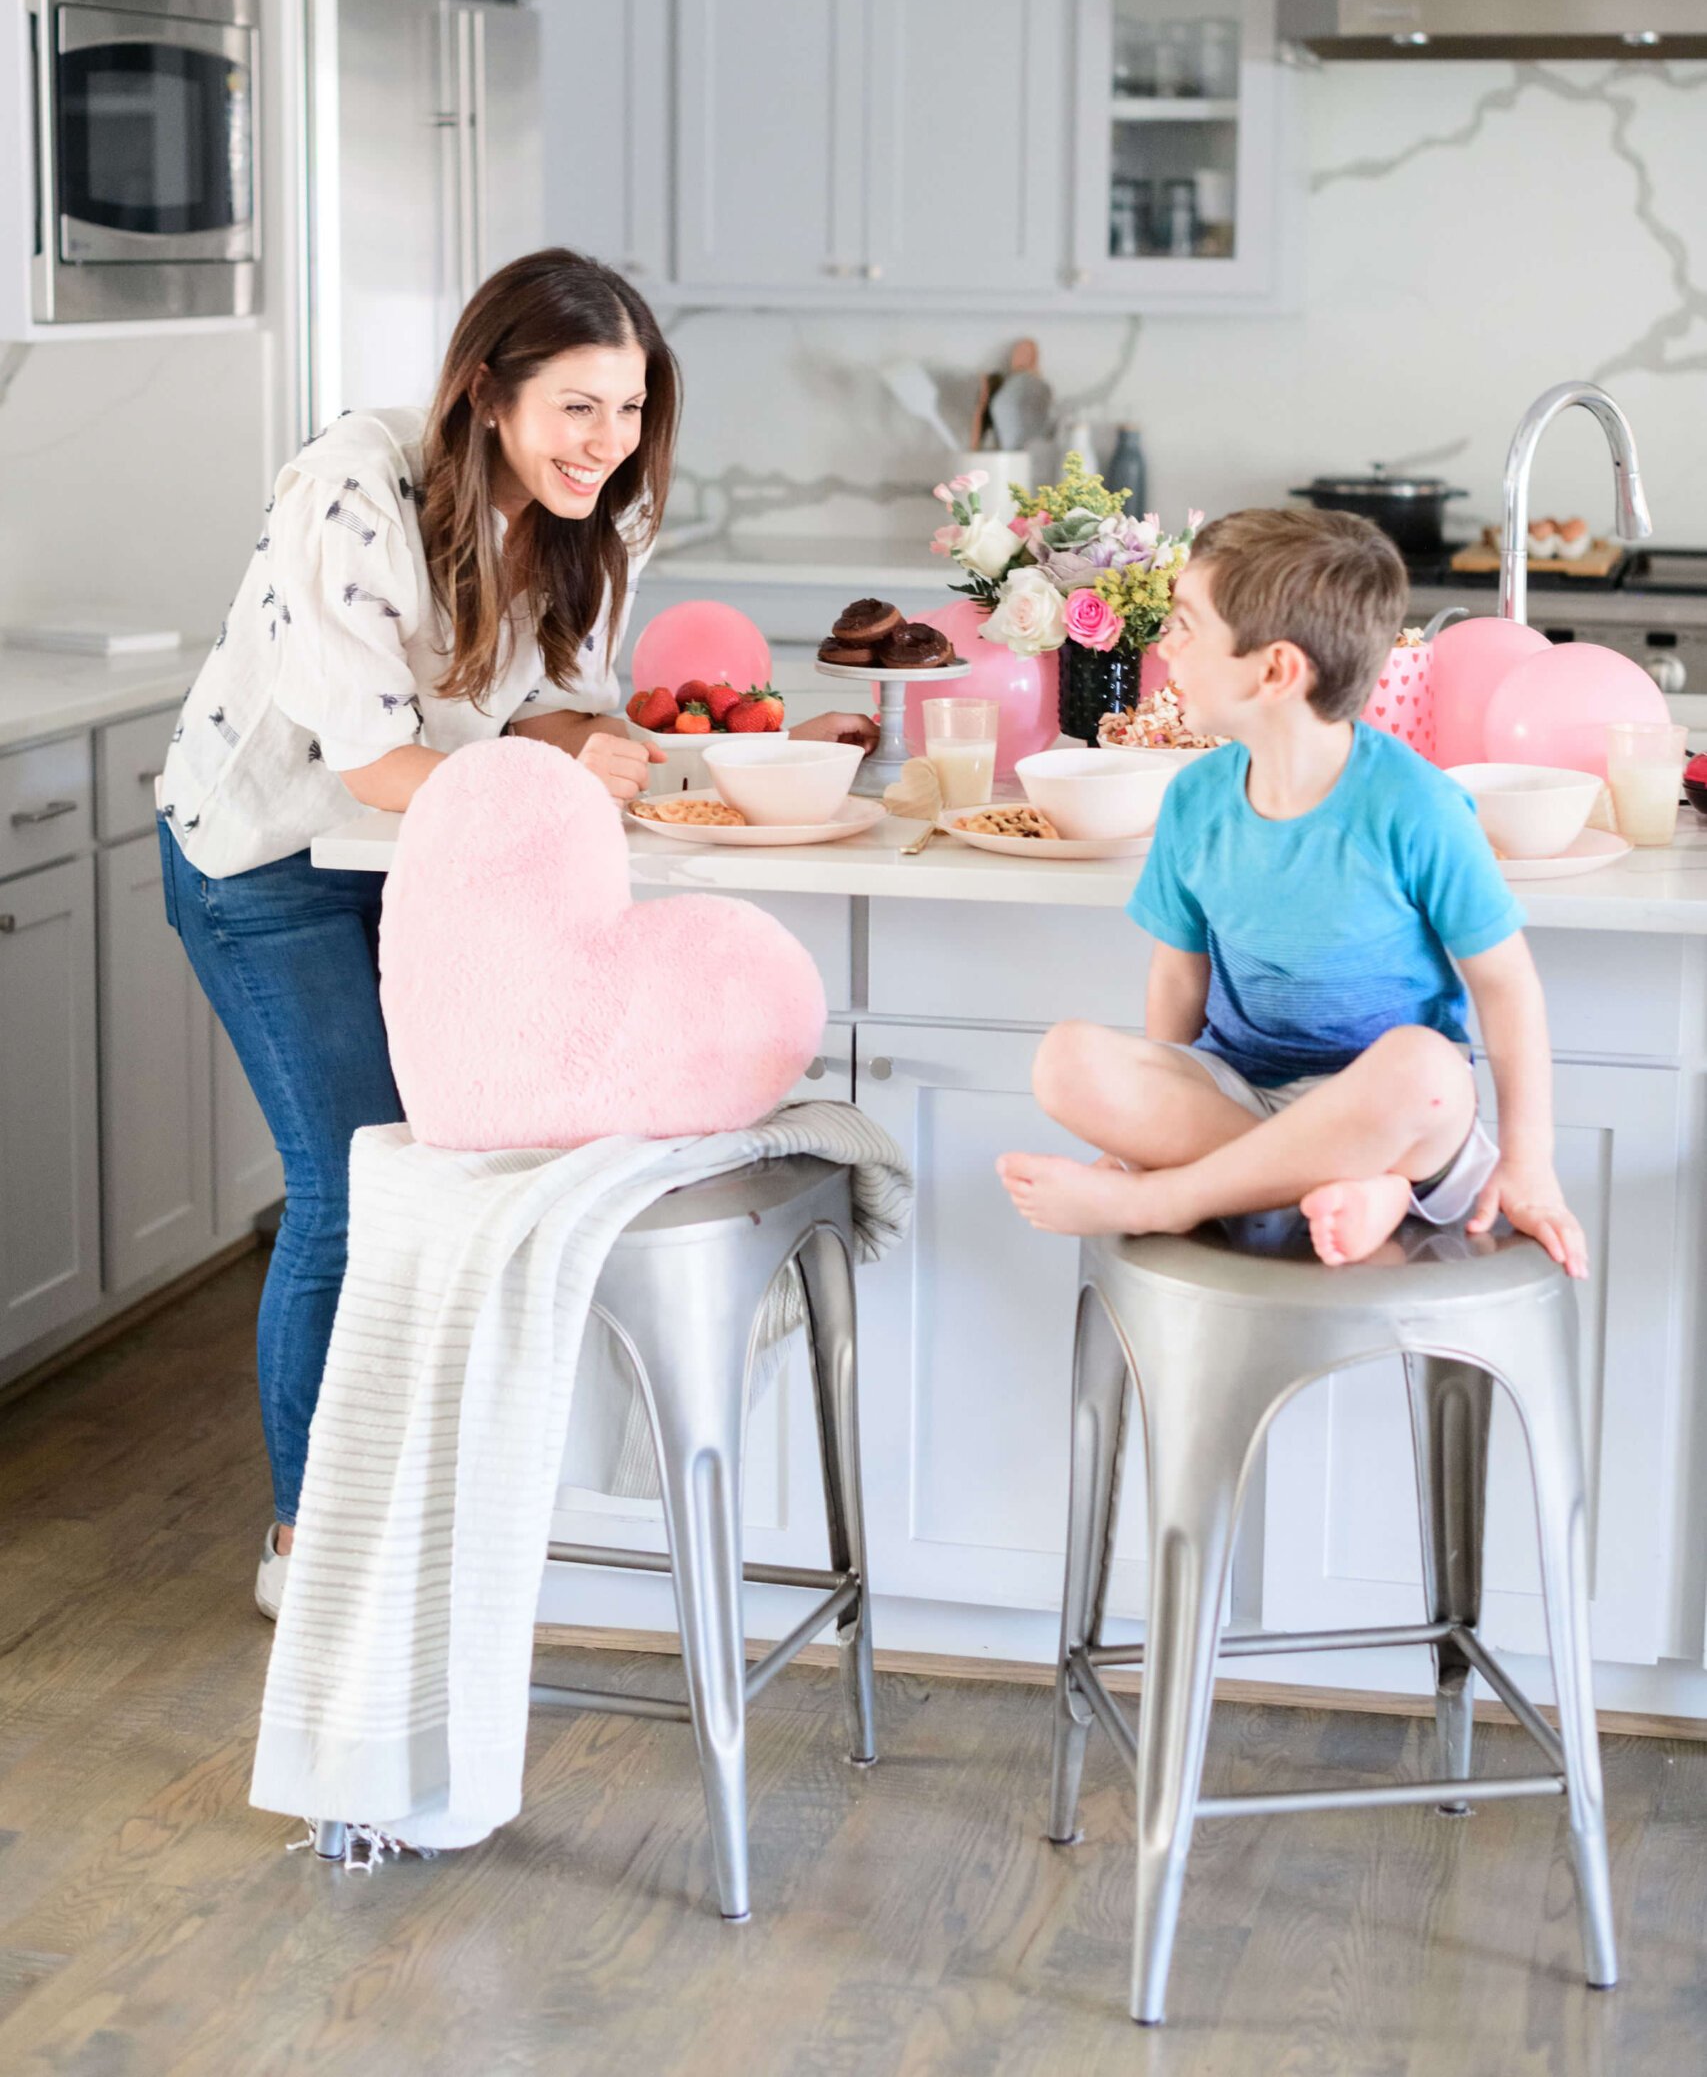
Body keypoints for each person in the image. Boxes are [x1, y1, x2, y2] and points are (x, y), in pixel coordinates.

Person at [156, 248, 875, 1618]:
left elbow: (553, 700)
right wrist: (548, 800)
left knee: (458, 1183)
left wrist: (628, 756)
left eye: (628, 409)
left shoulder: (599, 507)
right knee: (354, 1187)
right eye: (576, 410)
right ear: (487, 394)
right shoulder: (352, 490)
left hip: (437, 857)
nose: (605, 446)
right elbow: (370, 764)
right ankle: (315, 1553)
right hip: (275, 863)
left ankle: (440, 1501)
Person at [997, 505, 1588, 1279]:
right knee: (1066, 1061)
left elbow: (1506, 985)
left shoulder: (1416, 806)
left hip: (1391, 1115)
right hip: (1240, 1093)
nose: (1163, 644)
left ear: (1273, 670)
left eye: (1184, 624)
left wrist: (1529, 1162)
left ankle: (1178, 1198)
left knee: (1426, 1070)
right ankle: (1345, 1185)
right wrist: (1131, 1137)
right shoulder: (1192, 800)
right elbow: (1179, 976)